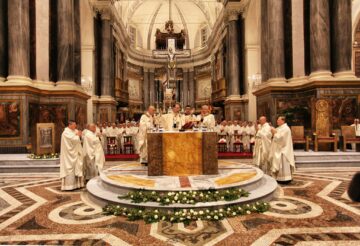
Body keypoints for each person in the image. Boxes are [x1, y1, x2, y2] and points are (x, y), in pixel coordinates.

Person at [59, 120, 84, 191]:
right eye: (74, 125)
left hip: (76, 154)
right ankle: (69, 186)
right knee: (70, 170)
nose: (75, 126)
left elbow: (78, 138)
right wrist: (78, 136)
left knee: (77, 168)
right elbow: (73, 139)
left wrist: (80, 135)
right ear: (70, 125)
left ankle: (77, 184)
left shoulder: (74, 131)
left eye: (75, 125)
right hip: (69, 155)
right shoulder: (66, 133)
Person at [269, 116, 295, 183]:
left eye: (278, 120)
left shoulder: (286, 129)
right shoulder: (280, 128)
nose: (277, 121)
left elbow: (281, 139)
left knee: (283, 163)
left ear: (283, 121)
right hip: (279, 148)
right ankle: (280, 178)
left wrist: (274, 133)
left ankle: (285, 178)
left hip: (284, 149)